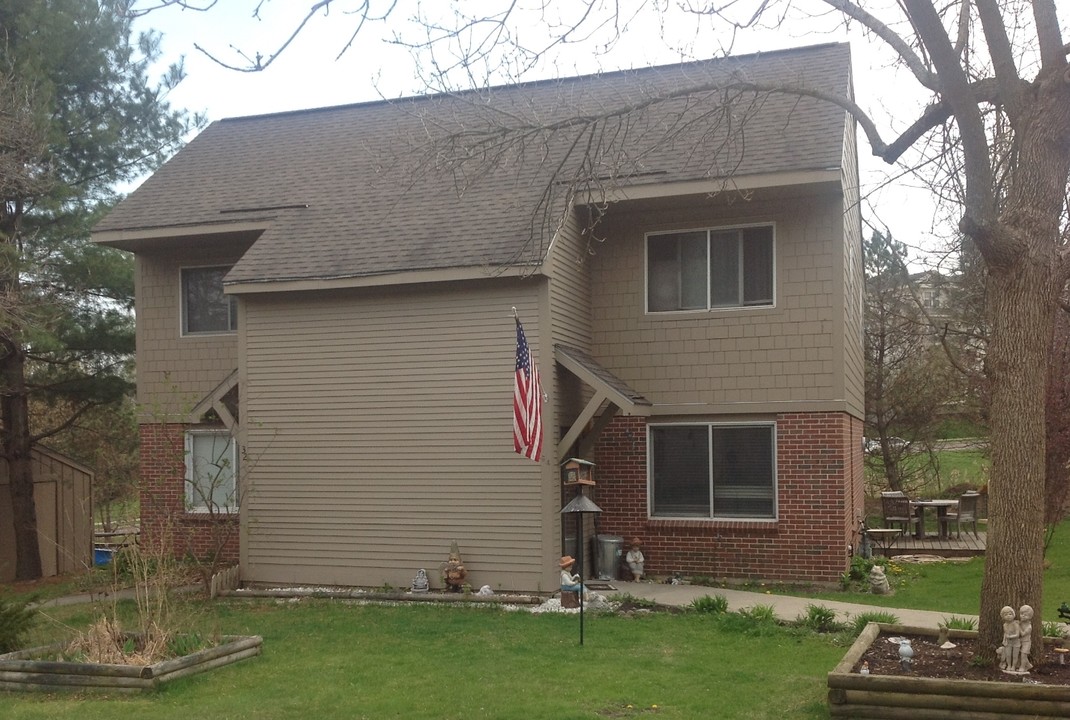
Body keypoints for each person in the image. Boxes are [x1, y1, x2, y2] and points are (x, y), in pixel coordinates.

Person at [999, 605, 1021, 672]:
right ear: (1003, 617)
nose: (1008, 616)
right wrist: (1004, 639)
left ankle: (1013, 666)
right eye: (1006, 614)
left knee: (1015, 655)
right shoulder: (1005, 625)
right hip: (1008, 642)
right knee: (1008, 654)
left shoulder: (1015, 624)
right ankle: (1009, 665)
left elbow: (1017, 634)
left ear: (1013, 615)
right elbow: (1005, 633)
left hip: (1016, 642)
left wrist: (1010, 636)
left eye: (1010, 614)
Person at [1018, 605, 1034, 672]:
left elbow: (1022, 634)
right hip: (1020, 642)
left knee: (1023, 654)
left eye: (1025, 615)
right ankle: (1029, 665)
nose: (1023, 616)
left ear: (1030, 617)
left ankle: (1022, 667)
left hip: (1026, 642)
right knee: (1020, 654)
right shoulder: (1020, 623)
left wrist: (1017, 626)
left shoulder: (1029, 627)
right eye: (1021, 614)